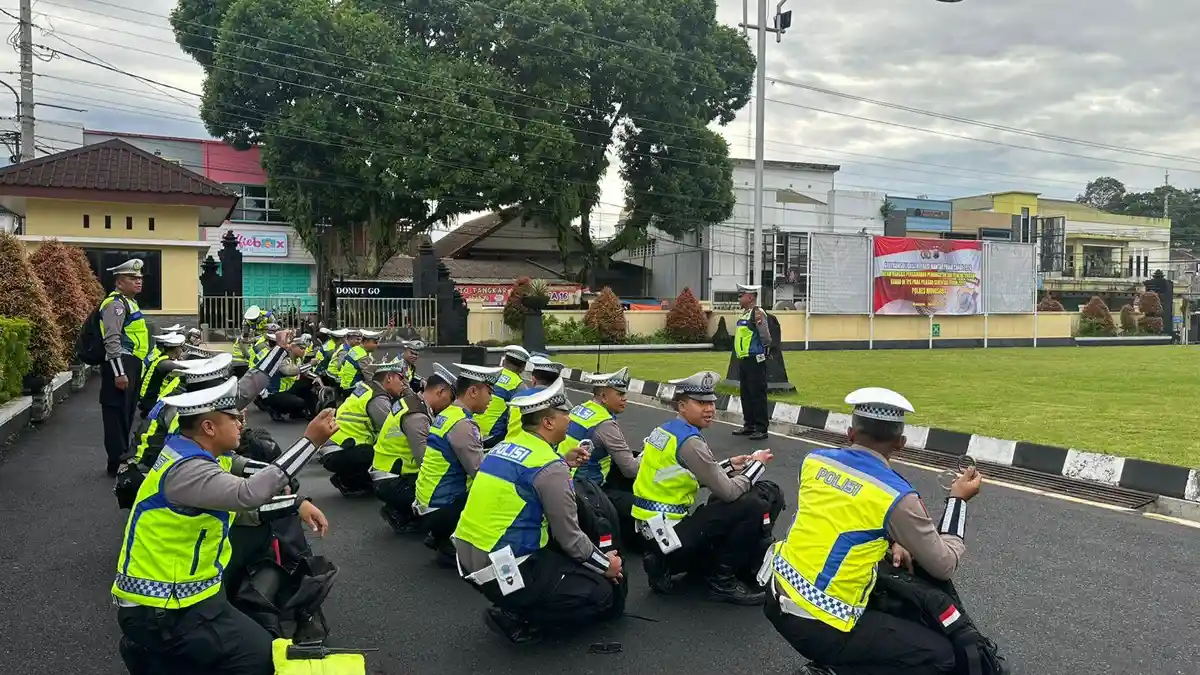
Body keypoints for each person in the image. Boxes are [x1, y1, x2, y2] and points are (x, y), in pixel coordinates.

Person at [112, 378, 340, 675]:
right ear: (208, 427)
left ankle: (158, 657)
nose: (241, 423)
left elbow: (243, 507)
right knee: (257, 660)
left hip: (186, 597)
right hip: (164, 609)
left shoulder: (192, 453)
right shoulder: (189, 470)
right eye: (233, 418)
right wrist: (310, 441)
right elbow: (248, 495)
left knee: (255, 648)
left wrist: (295, 504)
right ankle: (153, 653)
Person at [764, 387, 982, 675]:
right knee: (939, 656)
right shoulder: (897, 496)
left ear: (850, 433)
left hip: (776, 595)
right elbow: (944, 565)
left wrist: (895, 540)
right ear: (901, 443)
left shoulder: (815, 461)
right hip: (820, 623)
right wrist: (958, 500)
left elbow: (847, 514)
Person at [454, 378, 624, 644]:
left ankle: (518, 600)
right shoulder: (548, 466)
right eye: (565, 414)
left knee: (567, 564)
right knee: (603, 594)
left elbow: (527, 485)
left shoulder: (504, 448)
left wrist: (563, 463)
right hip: (505, 567)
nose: (570, 419)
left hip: (469, 559)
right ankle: (519, 616)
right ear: (548, 422)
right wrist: (607, 566)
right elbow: (570, 538)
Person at [632, 370, 775, 605]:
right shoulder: (690, 442)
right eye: (700, 403)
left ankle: (664, 562)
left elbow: (682, 474)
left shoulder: (667, 431)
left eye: (711, 402)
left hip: (651, 529)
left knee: (723, 505)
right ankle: (722, 582)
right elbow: (728, 492)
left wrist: (730, 464)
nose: (709, 408)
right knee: (751, 505)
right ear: (681, 406)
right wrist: (757, 465)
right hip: (672, 533)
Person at [413, 364, 501, 565]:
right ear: (472, 391)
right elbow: (480, 473)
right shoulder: (463, 425)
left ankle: (440, 535)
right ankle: (459, 543)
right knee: (497, 489)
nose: (491, 399)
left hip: (427, 502)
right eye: (489, 392)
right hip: (440, 507)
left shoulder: (448, 414)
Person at [557, 366, 640, 545]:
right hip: (586, 489)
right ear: (603, 397)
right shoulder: (605, 424)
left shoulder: (580, 409)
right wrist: (648, 454)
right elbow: (631, 470)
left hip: (564, 477)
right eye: (620, 394)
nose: (625, 399)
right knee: (640, 504)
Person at [372, 363, 457, 534]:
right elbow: (424, 460)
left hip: (386, 472)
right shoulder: (417, 416)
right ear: (440, 392)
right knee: (447, 488)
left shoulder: (411, 401)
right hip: (394, 480)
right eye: (450, 399)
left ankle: (402, 510)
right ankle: (405, 513)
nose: (449, 406)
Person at [318, 356, 410, 498]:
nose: (404, 383)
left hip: (336, 447)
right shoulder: (377, 398)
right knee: (385, 454)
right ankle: (347, 481)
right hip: (341, 449)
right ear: (389, 378)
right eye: (401, 378)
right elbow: (392, 428)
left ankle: (348, 478)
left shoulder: (367, 388)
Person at [98, 258, 150, 476]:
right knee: (116, 417)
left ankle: (122, 459)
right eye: (132, 278)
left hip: (131, 365)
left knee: (125, 416)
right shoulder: (115, 305)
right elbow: (112, 340)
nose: (138, 282)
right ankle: (116, 463)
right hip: (120, 365)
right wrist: (119, 372)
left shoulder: (130, 302)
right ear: (119, 282)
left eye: (139, 278)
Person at [487, 355, 563, 446]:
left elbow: (501, 426)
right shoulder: (562, 403)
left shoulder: (518, 398)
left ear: (534, 379)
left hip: (511, 447)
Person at [732, 282, 774, 441]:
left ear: (750, 297)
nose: (739, 299)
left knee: (757, 394)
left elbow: (766, 337)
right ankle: (749, 425)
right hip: (744, 360)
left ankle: (761, 428)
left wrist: (763, 353)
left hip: (754, 360)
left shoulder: (757, 313)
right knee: (746, 394)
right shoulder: (744, 314)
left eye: (741, 296)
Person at [474, 345, 530, 441]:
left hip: (473, 428)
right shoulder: (518, 386)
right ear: (523, 367)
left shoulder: (489, 374)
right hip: (492, 436)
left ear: (504, 361)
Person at [138, 333, 187, 418]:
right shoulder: (165, 364)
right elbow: (186, 367)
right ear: (176, 349)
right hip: (152, 401)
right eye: (182, 348)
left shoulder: (163, 357)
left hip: (150, 398)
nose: (183, 350)